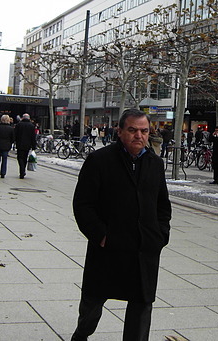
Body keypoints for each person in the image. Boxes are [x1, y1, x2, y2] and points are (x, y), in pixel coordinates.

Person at [71, 109, 172, 341]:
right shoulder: (99, 160)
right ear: (120, 131)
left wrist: (160, 235)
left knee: (142, 304)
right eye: (133, 130)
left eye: (144, 131)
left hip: (143, 248)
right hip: (109, 246)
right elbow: (83, 205)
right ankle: (81, 336)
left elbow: (162, 206)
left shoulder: (154, 163)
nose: (139, 135)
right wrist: (101, 235)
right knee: (93, 302)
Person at [14, 113, 37, 179]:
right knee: (25, 158)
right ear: (29, 118)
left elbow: (15, 134)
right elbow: (33, 137)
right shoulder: (31, 126)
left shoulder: (19, 125)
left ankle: (22, 170)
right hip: (28, 145)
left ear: (23, 118)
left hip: (20, 144)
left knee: (20, 157)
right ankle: (23, 169)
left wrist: (14, 141)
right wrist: (33, 146)